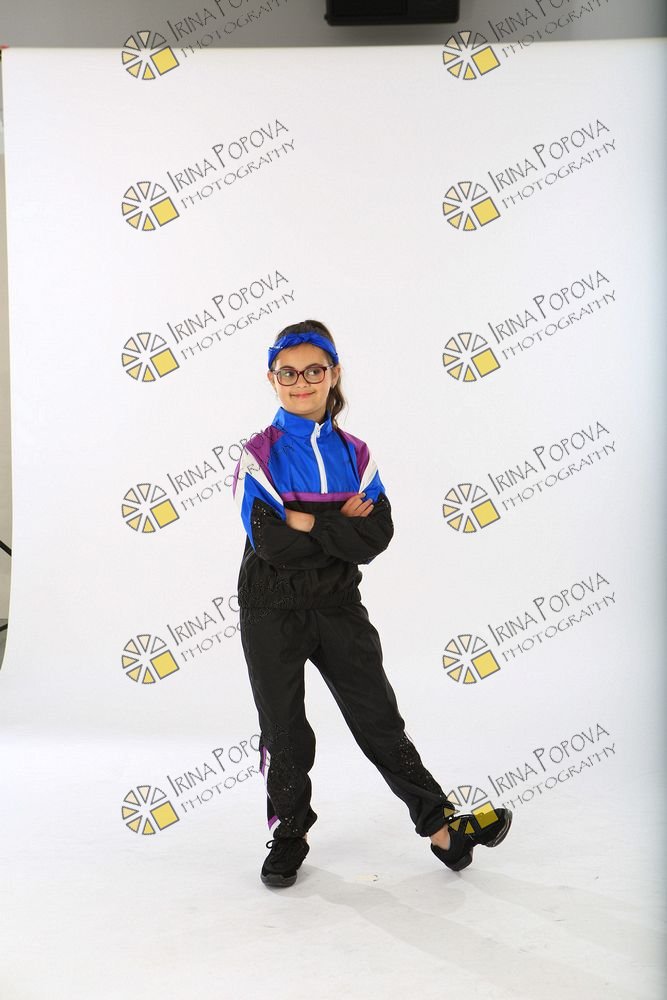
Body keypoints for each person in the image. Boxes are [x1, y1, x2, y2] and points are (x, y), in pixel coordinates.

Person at [232, 319, 512, 887]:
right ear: (272, 378)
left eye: (314, 370)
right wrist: (337, 524)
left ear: (334, 374)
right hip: (270, 608)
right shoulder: (258, 453)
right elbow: (269, 542)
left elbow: (376, 536)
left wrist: (304, 519)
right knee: (285, 731)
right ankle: (290, 834)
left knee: (379, 720)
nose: (301, 382)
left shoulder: (357, 454)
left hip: (339, 606)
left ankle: (443, 830)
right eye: (288, 373)